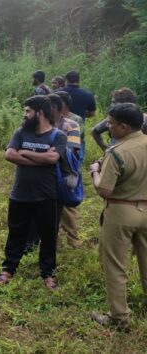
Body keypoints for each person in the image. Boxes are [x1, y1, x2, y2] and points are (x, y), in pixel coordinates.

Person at [0, 95, 66, 290]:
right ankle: (8, 269)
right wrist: (40, 158)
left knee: (48, 236)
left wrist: (25, 152)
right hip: (20, 194)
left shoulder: (58, 136)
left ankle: (48, 273)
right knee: (16, 233)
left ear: (40, 113)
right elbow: (9, 154)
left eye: (28, 111)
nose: (24, 114)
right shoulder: (21, 132)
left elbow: (52, 159)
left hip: (47, 195)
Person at [88, 103, 147, 332]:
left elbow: (104, 189)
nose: (108, 127)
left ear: (124, 126)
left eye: (111, 124)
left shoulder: (117, 152)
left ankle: (119, 318)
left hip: (121, 211)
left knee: (115, 265)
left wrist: (95, 171)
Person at [50, 93, 83, 248]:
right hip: (47, 172)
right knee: (49, 207)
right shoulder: (41, 123)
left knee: (68, 207)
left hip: (66, 171)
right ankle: (52, 242)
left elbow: (72, 149)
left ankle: (73, 241)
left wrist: (50, 152)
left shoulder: (71, 124)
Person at [91, 88, 138, 152]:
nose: (111, 105)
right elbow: (95, 131)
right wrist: (104, 147)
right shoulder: (114, 119)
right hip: (116, 153)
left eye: (113, 102)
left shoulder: (142, 120)